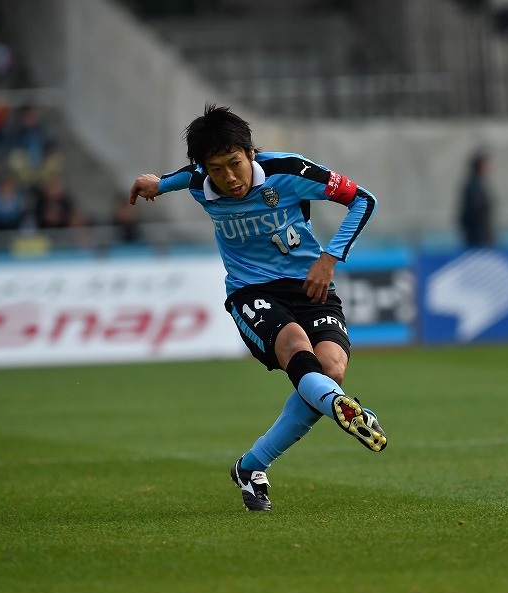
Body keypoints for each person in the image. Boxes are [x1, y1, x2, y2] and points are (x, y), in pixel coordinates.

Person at [129, 104, 386, 512]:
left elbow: (363, 200)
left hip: (310, 284)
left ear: (251, 153)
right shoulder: (200, 181)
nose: (229, 178)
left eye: (235, 163)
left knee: (330, 370)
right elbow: (173, 180)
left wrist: (329, 258)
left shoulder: (291, 172)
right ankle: (340, 406)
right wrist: (153, 184)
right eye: (216, 169)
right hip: (251, 291)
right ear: (204, 169)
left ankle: (252, 466)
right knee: (295, 345)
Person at [458, 149, 495, 247]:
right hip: (478, 237)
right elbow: (475, 212)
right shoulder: (474, 186)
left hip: (480, 236)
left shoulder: (478, 184)